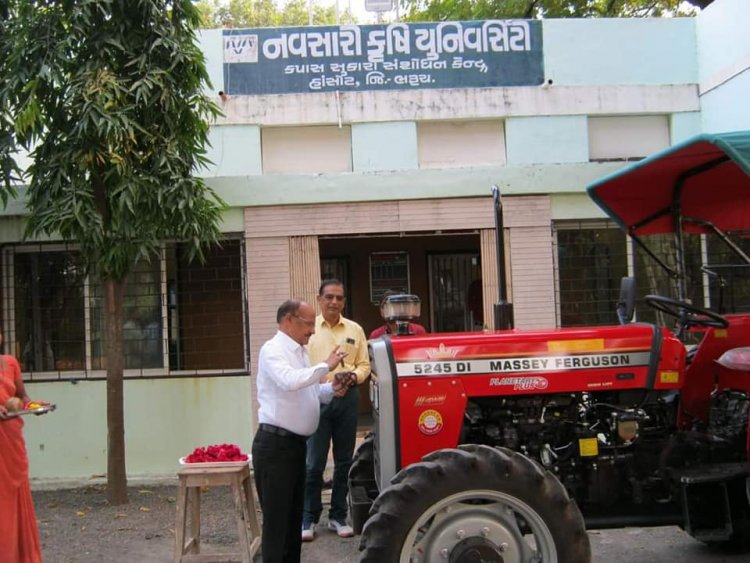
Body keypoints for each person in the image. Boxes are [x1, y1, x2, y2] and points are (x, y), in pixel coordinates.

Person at [251, 299, 353, 563]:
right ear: (288, 320)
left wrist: (331, 389)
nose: (312, 330)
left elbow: (309, 391)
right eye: (308, 324)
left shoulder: (300, 352)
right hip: (275, 446)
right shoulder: (272, 350)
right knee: (276, 524)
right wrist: (326, 366)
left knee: (293, 519)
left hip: (295, 446)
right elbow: (290, 381)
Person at [303, 279, 370, 540]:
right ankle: (308, 518)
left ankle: (338, 516)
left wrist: (351, 377)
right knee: (313, 463)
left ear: (344, 301)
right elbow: (300, 365)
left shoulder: (355, 329)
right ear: (319, 299)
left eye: (339, 298)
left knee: (344, 461)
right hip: (316, 398)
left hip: (347, 400)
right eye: (329, 297)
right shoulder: (309, 330)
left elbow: (364, 365)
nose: (334, 302)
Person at [0, 334, 44, 563]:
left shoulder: (10, 363)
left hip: (12, 439)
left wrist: (35, 406)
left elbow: (22, 397)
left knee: (14, 497)